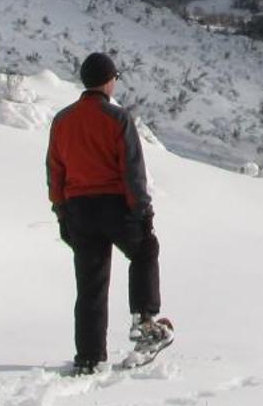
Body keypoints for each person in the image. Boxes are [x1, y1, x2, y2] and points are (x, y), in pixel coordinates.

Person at [47, 52, 171, 373]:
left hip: (78, 210)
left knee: (90, 284)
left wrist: (62, 212)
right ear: (109, 81)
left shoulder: (62, 121)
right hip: (115, 205)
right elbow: (132, 171)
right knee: (145, 251)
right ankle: (144, 324)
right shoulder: (117, 119)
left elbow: (55, 171)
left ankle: (89, 357)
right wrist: (142, 212)